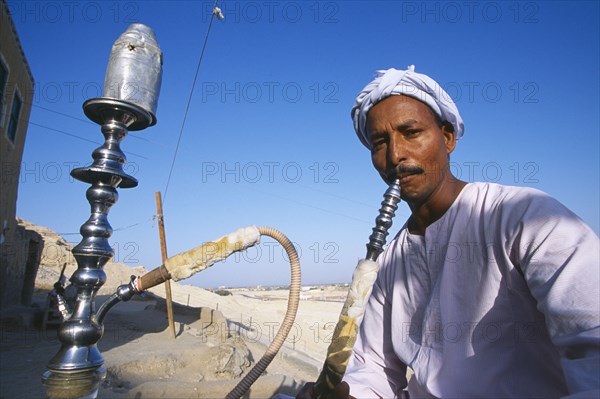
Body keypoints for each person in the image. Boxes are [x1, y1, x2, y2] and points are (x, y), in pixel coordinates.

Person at [298, 66, 599, 398]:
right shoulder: (388, 263)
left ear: (447, 138)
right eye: (380, 142)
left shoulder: (524, 216)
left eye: (410, 132)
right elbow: (375, 366)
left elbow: (592, 344)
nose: (395, 154)